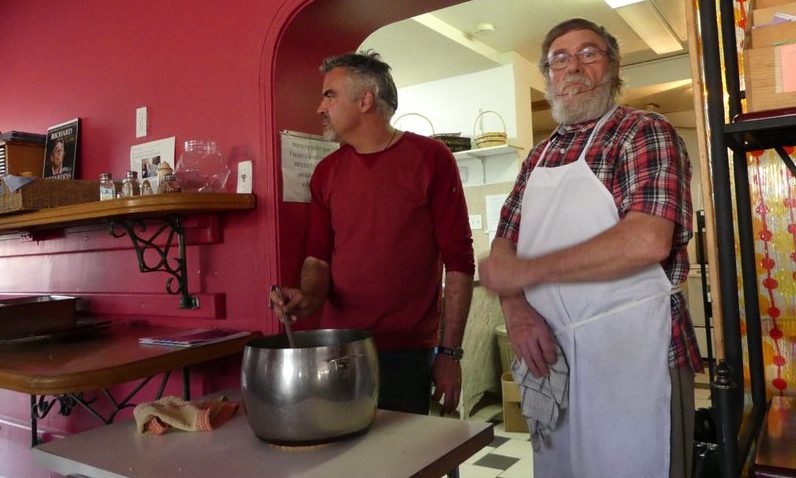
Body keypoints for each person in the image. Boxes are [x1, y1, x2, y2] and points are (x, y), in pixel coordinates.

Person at [478, 18, 701, 478]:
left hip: (635, 354)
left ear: (613, 68)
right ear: (548, 76)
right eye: (560, 58)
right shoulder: (537, 157)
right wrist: (516, 312)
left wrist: (529, 272)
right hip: (551, 354)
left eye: (589, 54)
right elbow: (504, 245)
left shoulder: (643, 132)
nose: (573, 67)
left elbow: (647, 239)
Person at [272, 51, 475, 416]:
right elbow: (318, 257)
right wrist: (307, 298)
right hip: (339, 350)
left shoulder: (432, 158)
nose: (320, 107)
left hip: (407, 352)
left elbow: (459, 261)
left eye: (330, 95)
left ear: (365, 100)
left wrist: (449, 354)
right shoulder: (326, 172)